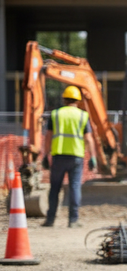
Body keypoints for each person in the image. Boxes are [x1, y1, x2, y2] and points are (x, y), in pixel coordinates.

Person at [41, 85, 97, 228]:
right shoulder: (83, 116)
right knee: (74, 187)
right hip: (76, 157)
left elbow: (48, 137)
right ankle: (73, 220)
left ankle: (50, 219)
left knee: (54, 188)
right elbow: (89, 139)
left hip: (58, 156)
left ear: (64, 99)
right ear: (78, 100)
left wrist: (45, 155)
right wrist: (93, 157)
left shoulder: (56, 114)